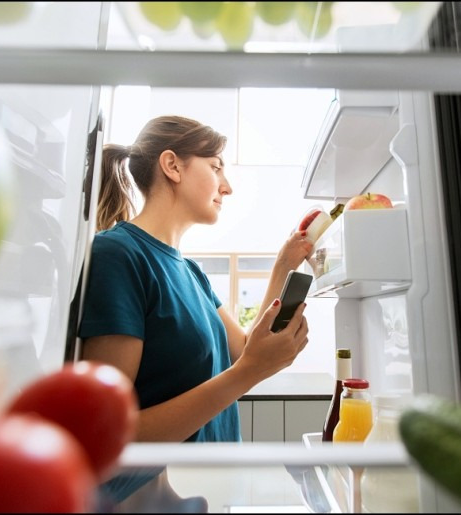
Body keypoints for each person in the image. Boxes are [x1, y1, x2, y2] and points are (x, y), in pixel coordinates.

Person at [78, 115, 313, 506]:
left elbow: (239, 349)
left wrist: (283, 267)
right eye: (216, 167)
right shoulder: (118, 255)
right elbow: (111, 434)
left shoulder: (191, 271)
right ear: (172, 166)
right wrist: (251, 372)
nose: (228, 186)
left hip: (206, 495)